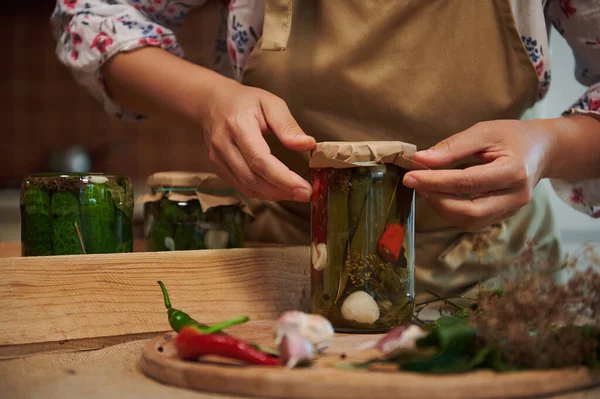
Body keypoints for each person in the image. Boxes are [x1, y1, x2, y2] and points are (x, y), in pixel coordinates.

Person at [51, 0, 600, 296]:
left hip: (498, 287)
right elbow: (88, 14)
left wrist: (546, 145)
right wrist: (211, 98)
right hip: (283, 283)